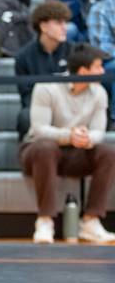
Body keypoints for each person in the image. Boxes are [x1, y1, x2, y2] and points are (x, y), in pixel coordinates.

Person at [20, 44, 115, 244]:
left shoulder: (99, 93)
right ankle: (45, 220)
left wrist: (87, 138)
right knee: (46, 148)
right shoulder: (46, 87)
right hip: (36, 151)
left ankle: (91, 221)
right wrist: (69, 135)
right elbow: (39, 129)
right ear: (83, 71)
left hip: (76, 152)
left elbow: (99, 131)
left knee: (108, 153)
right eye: (98, 67)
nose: (102, 71)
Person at [14, 1, 71, 139]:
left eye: (65, 23)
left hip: (69, 106)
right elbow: (26, 96)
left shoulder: (73, 52)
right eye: (58, 23)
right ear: (43, 26)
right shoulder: (23, 57)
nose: (65, 28)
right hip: (39, 107)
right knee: (25, 117)